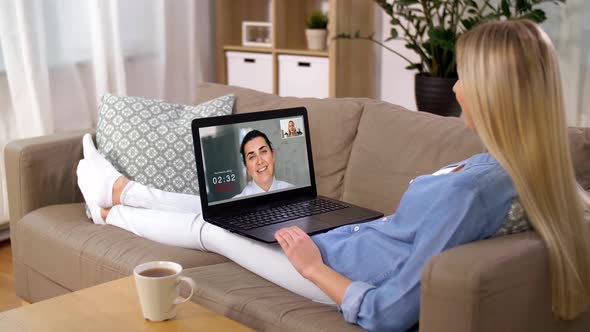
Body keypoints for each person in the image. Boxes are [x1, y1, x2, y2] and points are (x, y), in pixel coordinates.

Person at [76, 20, 590, 331]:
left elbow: (390, 311)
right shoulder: (538, 175)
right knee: (231, 207)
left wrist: (311, 264)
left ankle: (110, 208)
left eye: (467, 79)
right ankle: (117, 190)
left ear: (500, 94)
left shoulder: (472, 190)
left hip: (337, 270)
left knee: (210, 228)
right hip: (350, 239)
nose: (455, 90)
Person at [233, 130, 293, 198]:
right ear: (247, 168)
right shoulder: (237, 203)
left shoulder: (292, 192)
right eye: (252, 157)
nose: (260, 161)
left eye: (263, 151)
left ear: (272, 155)